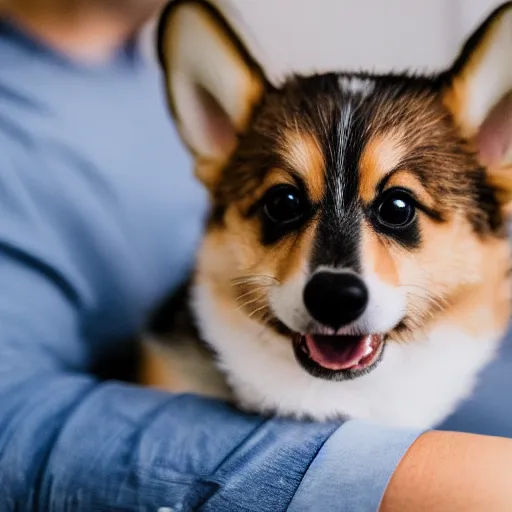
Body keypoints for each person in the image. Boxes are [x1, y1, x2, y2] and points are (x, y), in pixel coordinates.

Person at [0, 1, 511, 511]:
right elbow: (12, 427)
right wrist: (420, 480)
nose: (337, 267)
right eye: (284, 203)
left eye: (398, 208)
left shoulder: (142, 73)